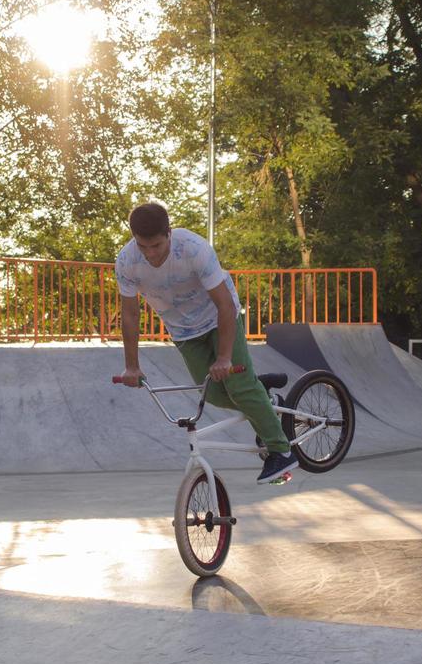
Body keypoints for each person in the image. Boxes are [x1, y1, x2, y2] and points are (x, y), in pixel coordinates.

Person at [115, 201, 297, 484]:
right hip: (183, 331)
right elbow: (129, 314)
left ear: (169, 234)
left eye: (157, 246)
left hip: (218, 319)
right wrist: (131, 366)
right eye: (143, 247)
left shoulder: (193, 249)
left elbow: (224, 305)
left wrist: (224, 358)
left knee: (238, 385)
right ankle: (266, 399)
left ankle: (281, 450)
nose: (150, 255)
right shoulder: (127, 261)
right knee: (211, 394)